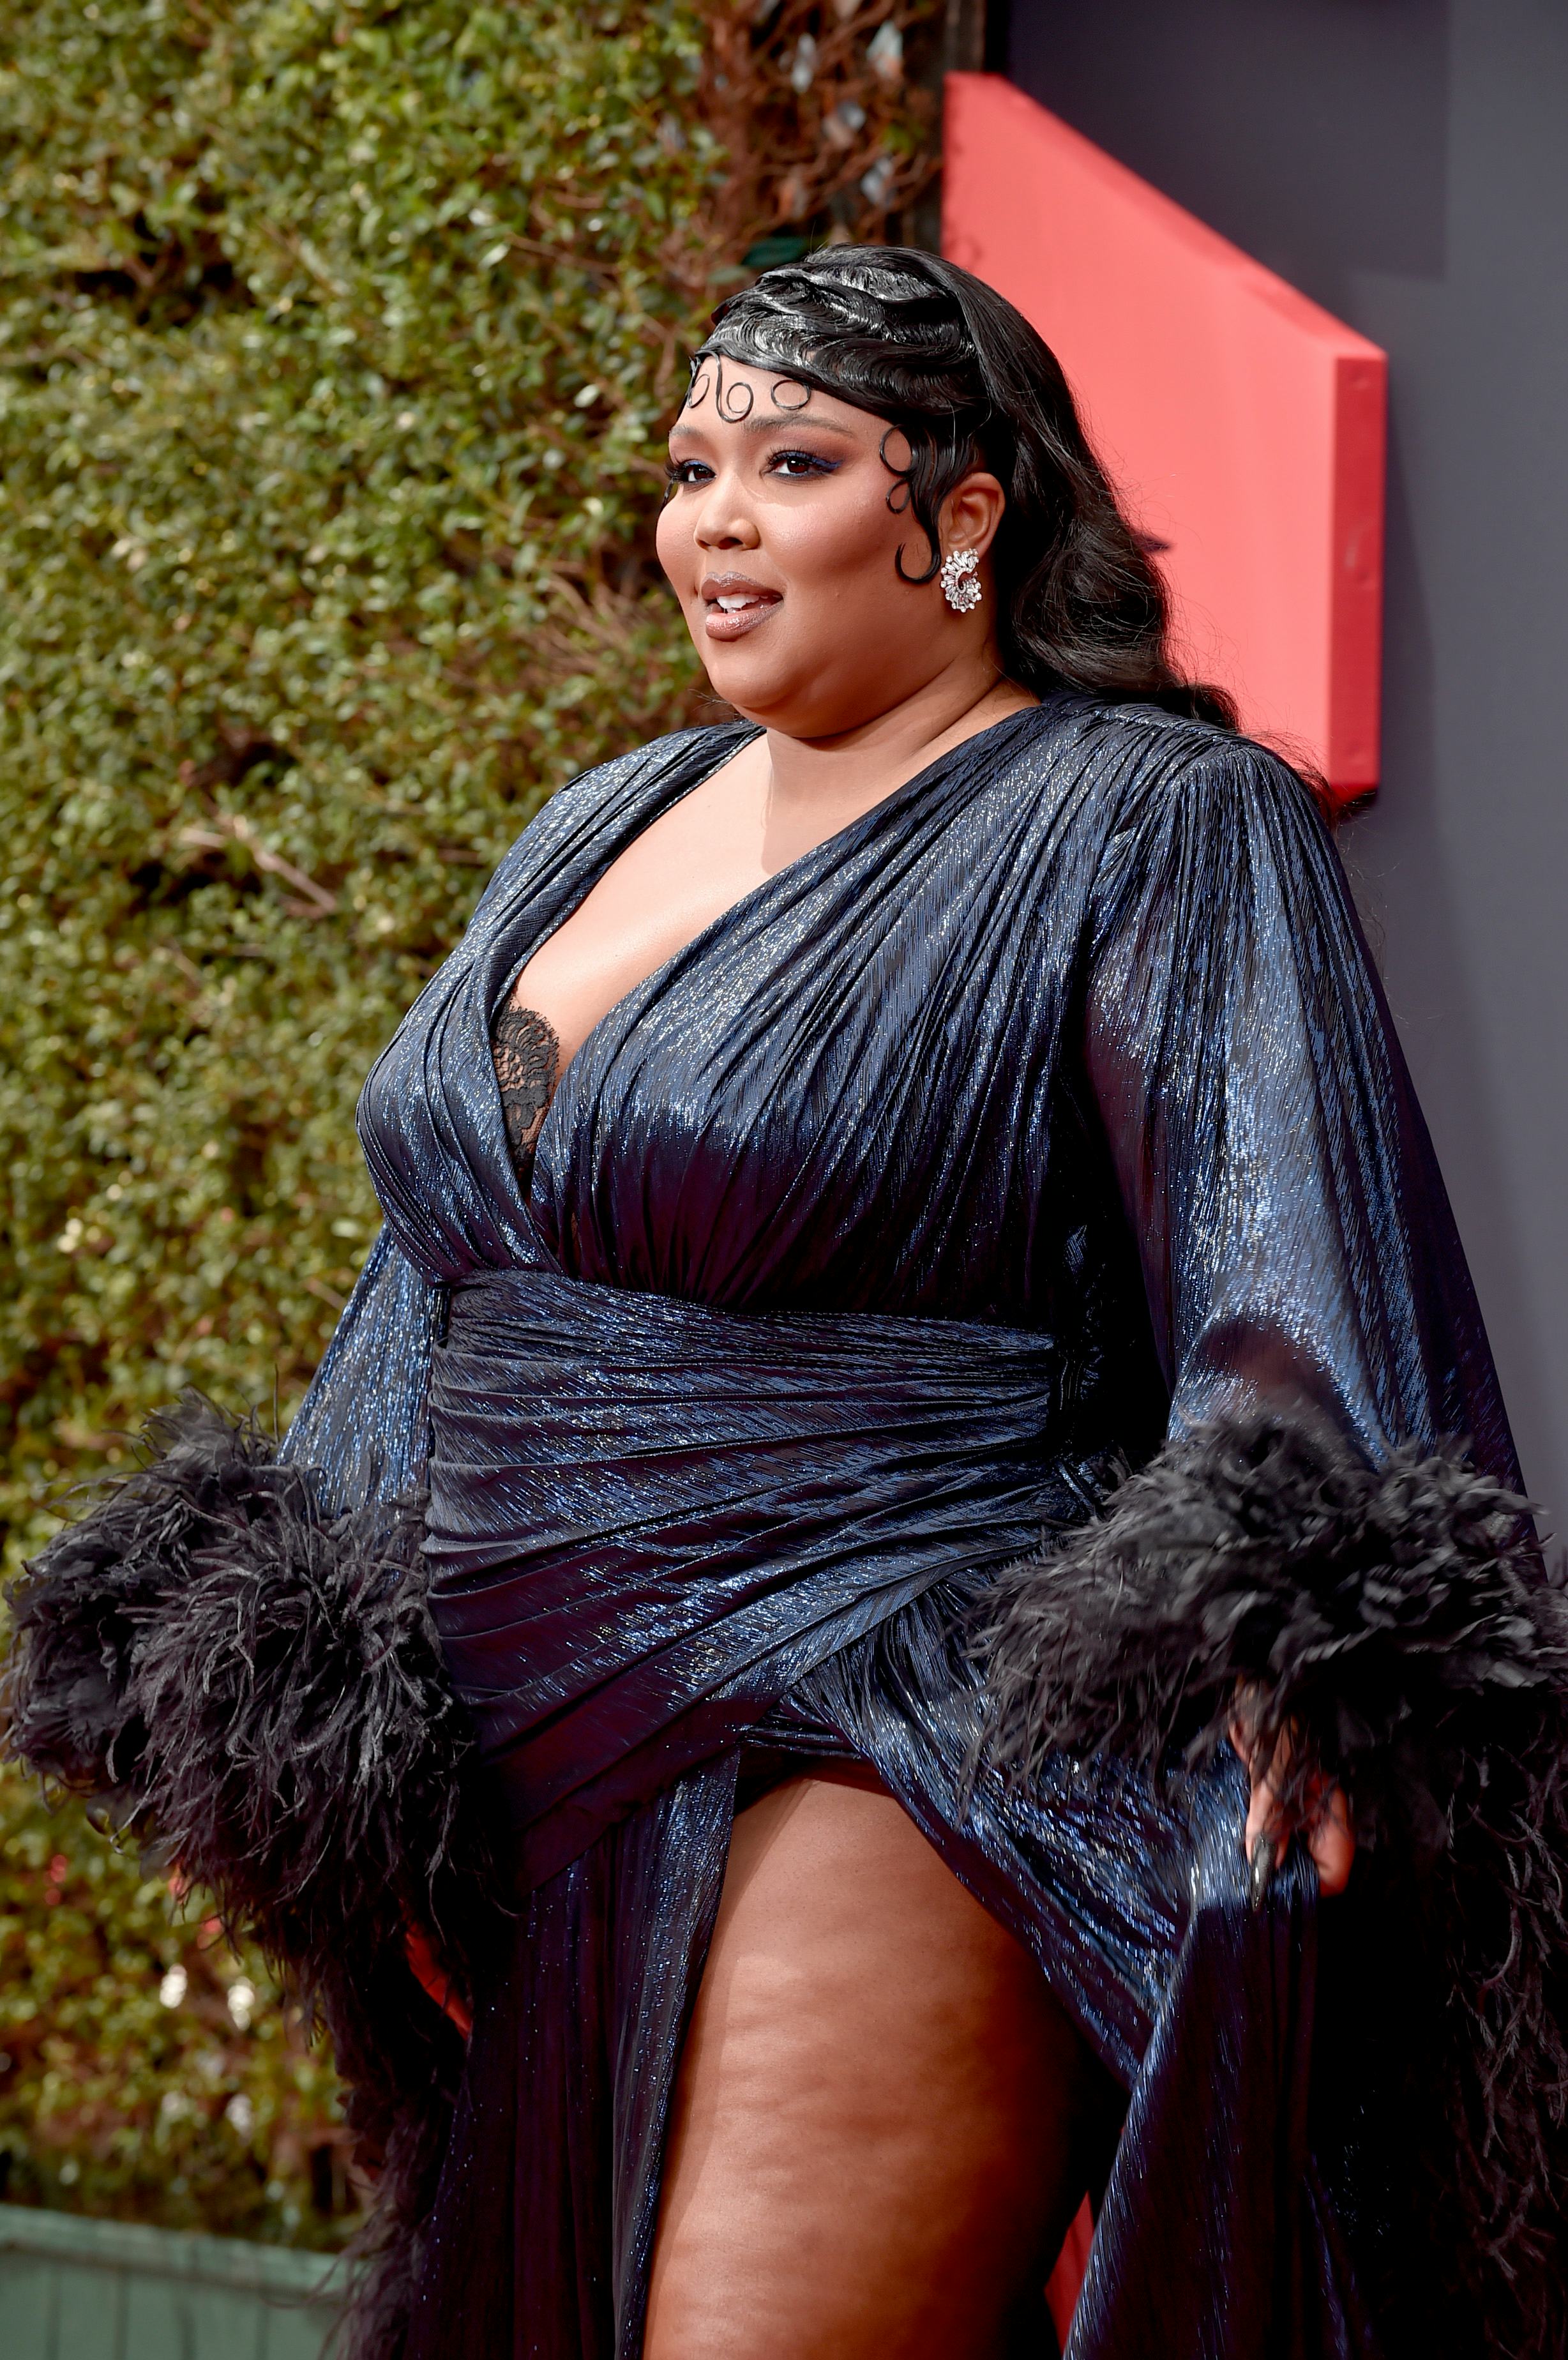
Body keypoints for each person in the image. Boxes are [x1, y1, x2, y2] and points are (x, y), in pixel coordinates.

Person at [8, 248, 1567, 2360]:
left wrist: (1301, 1665)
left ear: (962, 516)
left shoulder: (1147, 816)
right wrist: (302, 1724)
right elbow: (441, 1275)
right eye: (688, 469)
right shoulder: (595, 824)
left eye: (793, 463)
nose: (712, 522)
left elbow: (1282, 1255)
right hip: (530, 1773)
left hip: (881, 1713)